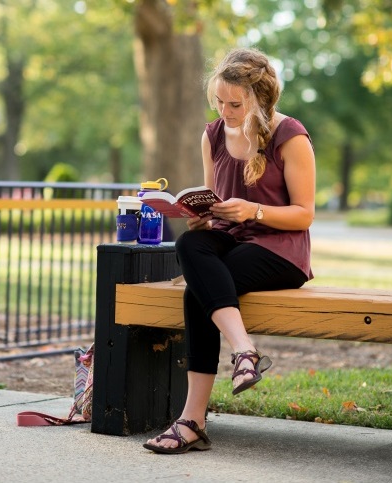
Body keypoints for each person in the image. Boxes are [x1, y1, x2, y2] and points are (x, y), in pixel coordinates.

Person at [143, 47, 316, 454]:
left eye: (234, 104)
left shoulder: (290, 135)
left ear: (259, 97)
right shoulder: (213, 134)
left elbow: (305, 215)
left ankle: (192, 421)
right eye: (218, 101)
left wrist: (254, 209)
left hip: (280, 250)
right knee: (190, 242)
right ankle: (245, 351)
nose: (225, 111)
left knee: (198, 290)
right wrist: (201, 215)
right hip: (229, 239)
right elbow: (213, 197)